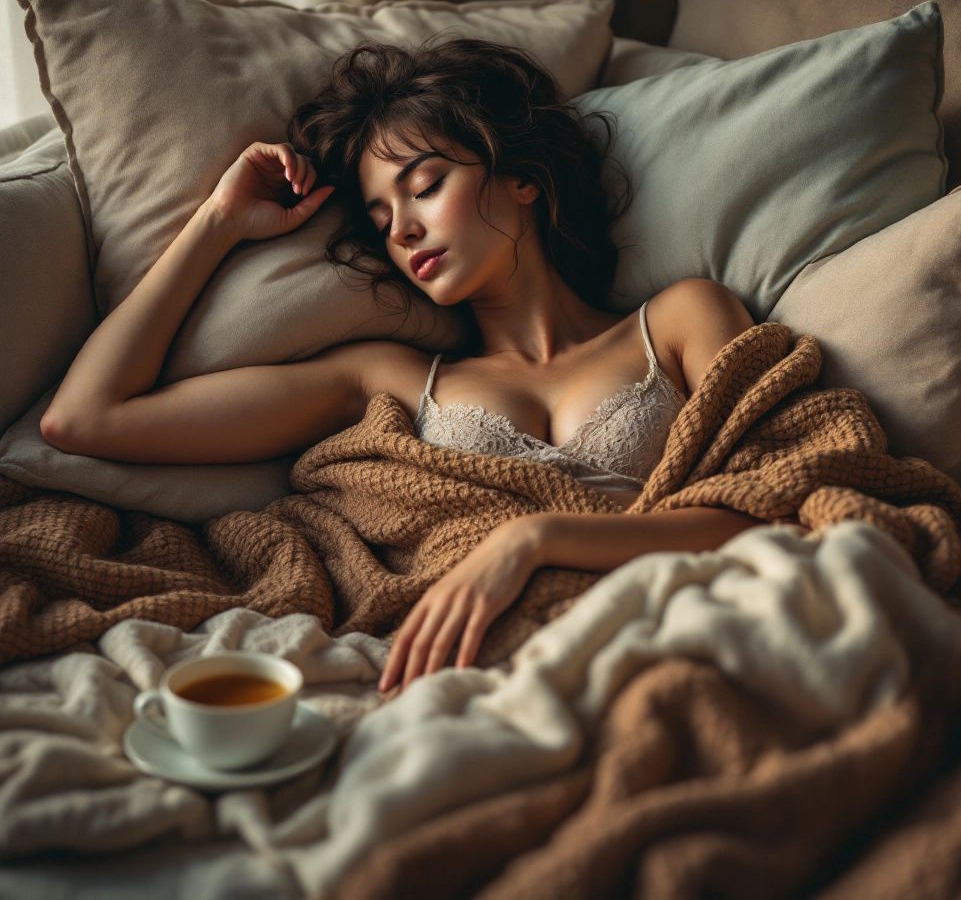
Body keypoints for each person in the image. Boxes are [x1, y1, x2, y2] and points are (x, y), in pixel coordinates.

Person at [39, 36, 762, 694]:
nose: (405, 229)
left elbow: (764, 505)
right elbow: (85, 418)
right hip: (471, 679)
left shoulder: (680, 319)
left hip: (669, 643)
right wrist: (219, 223)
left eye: (424, 186)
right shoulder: (385, 378)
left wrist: (533, 539)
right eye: (382, 220)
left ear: (522, 179)